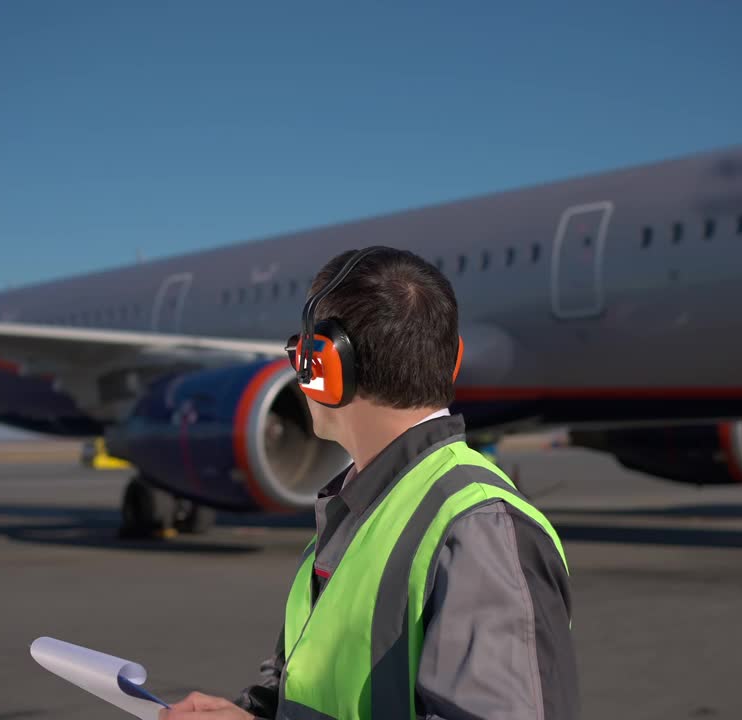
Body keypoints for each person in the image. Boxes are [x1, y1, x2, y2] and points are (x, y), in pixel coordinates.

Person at [160, 246, 578, 720]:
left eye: (302, 355)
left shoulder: (479, 528)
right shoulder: (363, 504)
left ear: (326, 367)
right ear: (453, 361)